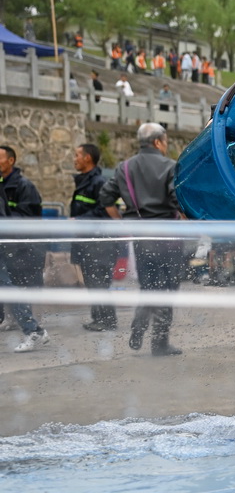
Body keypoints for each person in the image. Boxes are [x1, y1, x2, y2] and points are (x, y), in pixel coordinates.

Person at [98, 123, 184, 356]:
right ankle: (159, 342)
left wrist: (121, 222)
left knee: (148, 286)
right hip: (168, 237)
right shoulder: (170, 167)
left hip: (141, 237)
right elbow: (178, 201)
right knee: (167, 289)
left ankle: (138, 326)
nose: (165, 146)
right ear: (157, 142)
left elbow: (105, 197)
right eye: (165, 141)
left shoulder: (124, 168)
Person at [0, 145, 50, 352]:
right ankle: (30, 327)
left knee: (10, 287)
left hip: (21, 245)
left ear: (11, 160)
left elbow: (27, 218)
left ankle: (33, 329)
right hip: (7, 243)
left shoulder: (24, 186)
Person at [69, 143, 120, 331]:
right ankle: (98, 318)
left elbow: (106, 212)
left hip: (99, 244)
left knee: (99, 282)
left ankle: (108, 320)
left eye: (77, 155)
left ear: (87, 158)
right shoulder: (84, 182)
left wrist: (79, 220)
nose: (74, 159)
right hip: (86, 242)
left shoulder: (98, 183)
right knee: (91, 282)